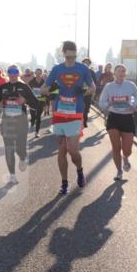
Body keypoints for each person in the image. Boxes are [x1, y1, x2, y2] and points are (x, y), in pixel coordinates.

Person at [42, 41, 95, 195]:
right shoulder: (56, 69)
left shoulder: (83, 69)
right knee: (62, 149)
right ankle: (64, 183)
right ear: (63, 53)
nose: (71, 59)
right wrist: (52, 89)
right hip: (59, 113)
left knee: (73, 150)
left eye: (73, 56)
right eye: (68, 56)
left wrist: (83, 92)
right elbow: (44, 89)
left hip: (75, 113)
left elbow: (93, 88)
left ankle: (79, 170)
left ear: (76, 54)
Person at [0, 65, 38, 184]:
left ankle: (22, 157)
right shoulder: (3, 87)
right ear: (7, 73)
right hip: (7, 121)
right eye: (10, 72)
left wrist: (25, 100)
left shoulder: (24, 86)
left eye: (15, 72)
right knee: (9, 148)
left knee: (20, 148)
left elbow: (35, 103)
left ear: (19, 73)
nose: (13, 74)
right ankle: (12, 175)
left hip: (21, 121)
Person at [99, 63, 137, 181]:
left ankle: (125, 158)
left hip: (127, 118)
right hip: (114, 118)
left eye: (123, 71)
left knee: (127, 149)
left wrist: (133, 105)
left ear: (125, 73)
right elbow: (102, 102)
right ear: (115, 73)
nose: (121, 73)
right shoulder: (109, 87)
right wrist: (108, 104)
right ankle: (119, 171)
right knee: (116, 147)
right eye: (119, 71)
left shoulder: (131, 85)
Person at [26, 68, 47, 137]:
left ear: (41, 74)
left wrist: (45, 104)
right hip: (32, 101)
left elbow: (45, 93)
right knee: (33, 116)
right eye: (37, 73)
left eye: (39, 73)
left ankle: (37, 132)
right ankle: (32, 121)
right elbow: (28, 91)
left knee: (38, 117)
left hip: (41, 101)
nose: (38, 75)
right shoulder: (31, 82)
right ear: (35, 73)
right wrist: (28, 101)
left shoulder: (44, 82)